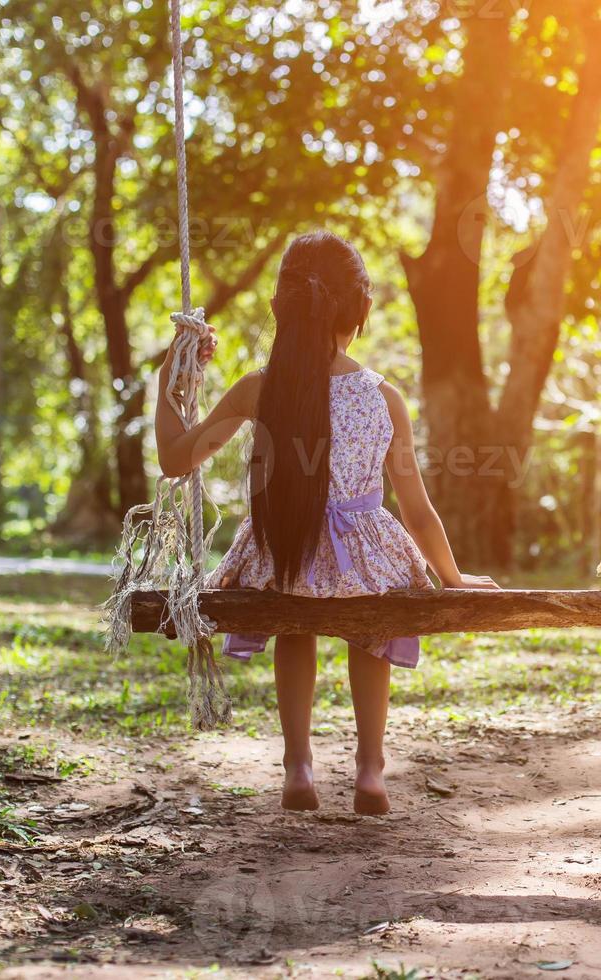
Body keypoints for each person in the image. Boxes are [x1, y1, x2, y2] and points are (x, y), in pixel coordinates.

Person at [154, 230, 498, 815]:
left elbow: (174, 460)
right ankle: (369, 771)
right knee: (373, 629)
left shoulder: (258, 390)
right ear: (361, 310)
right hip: (365, 562)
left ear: (278, 308)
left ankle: (299, 768)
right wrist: (453, 576)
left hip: (285, 556)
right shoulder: (383, 397)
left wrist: (172, 381)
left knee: (296, 621)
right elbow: (415, 507)